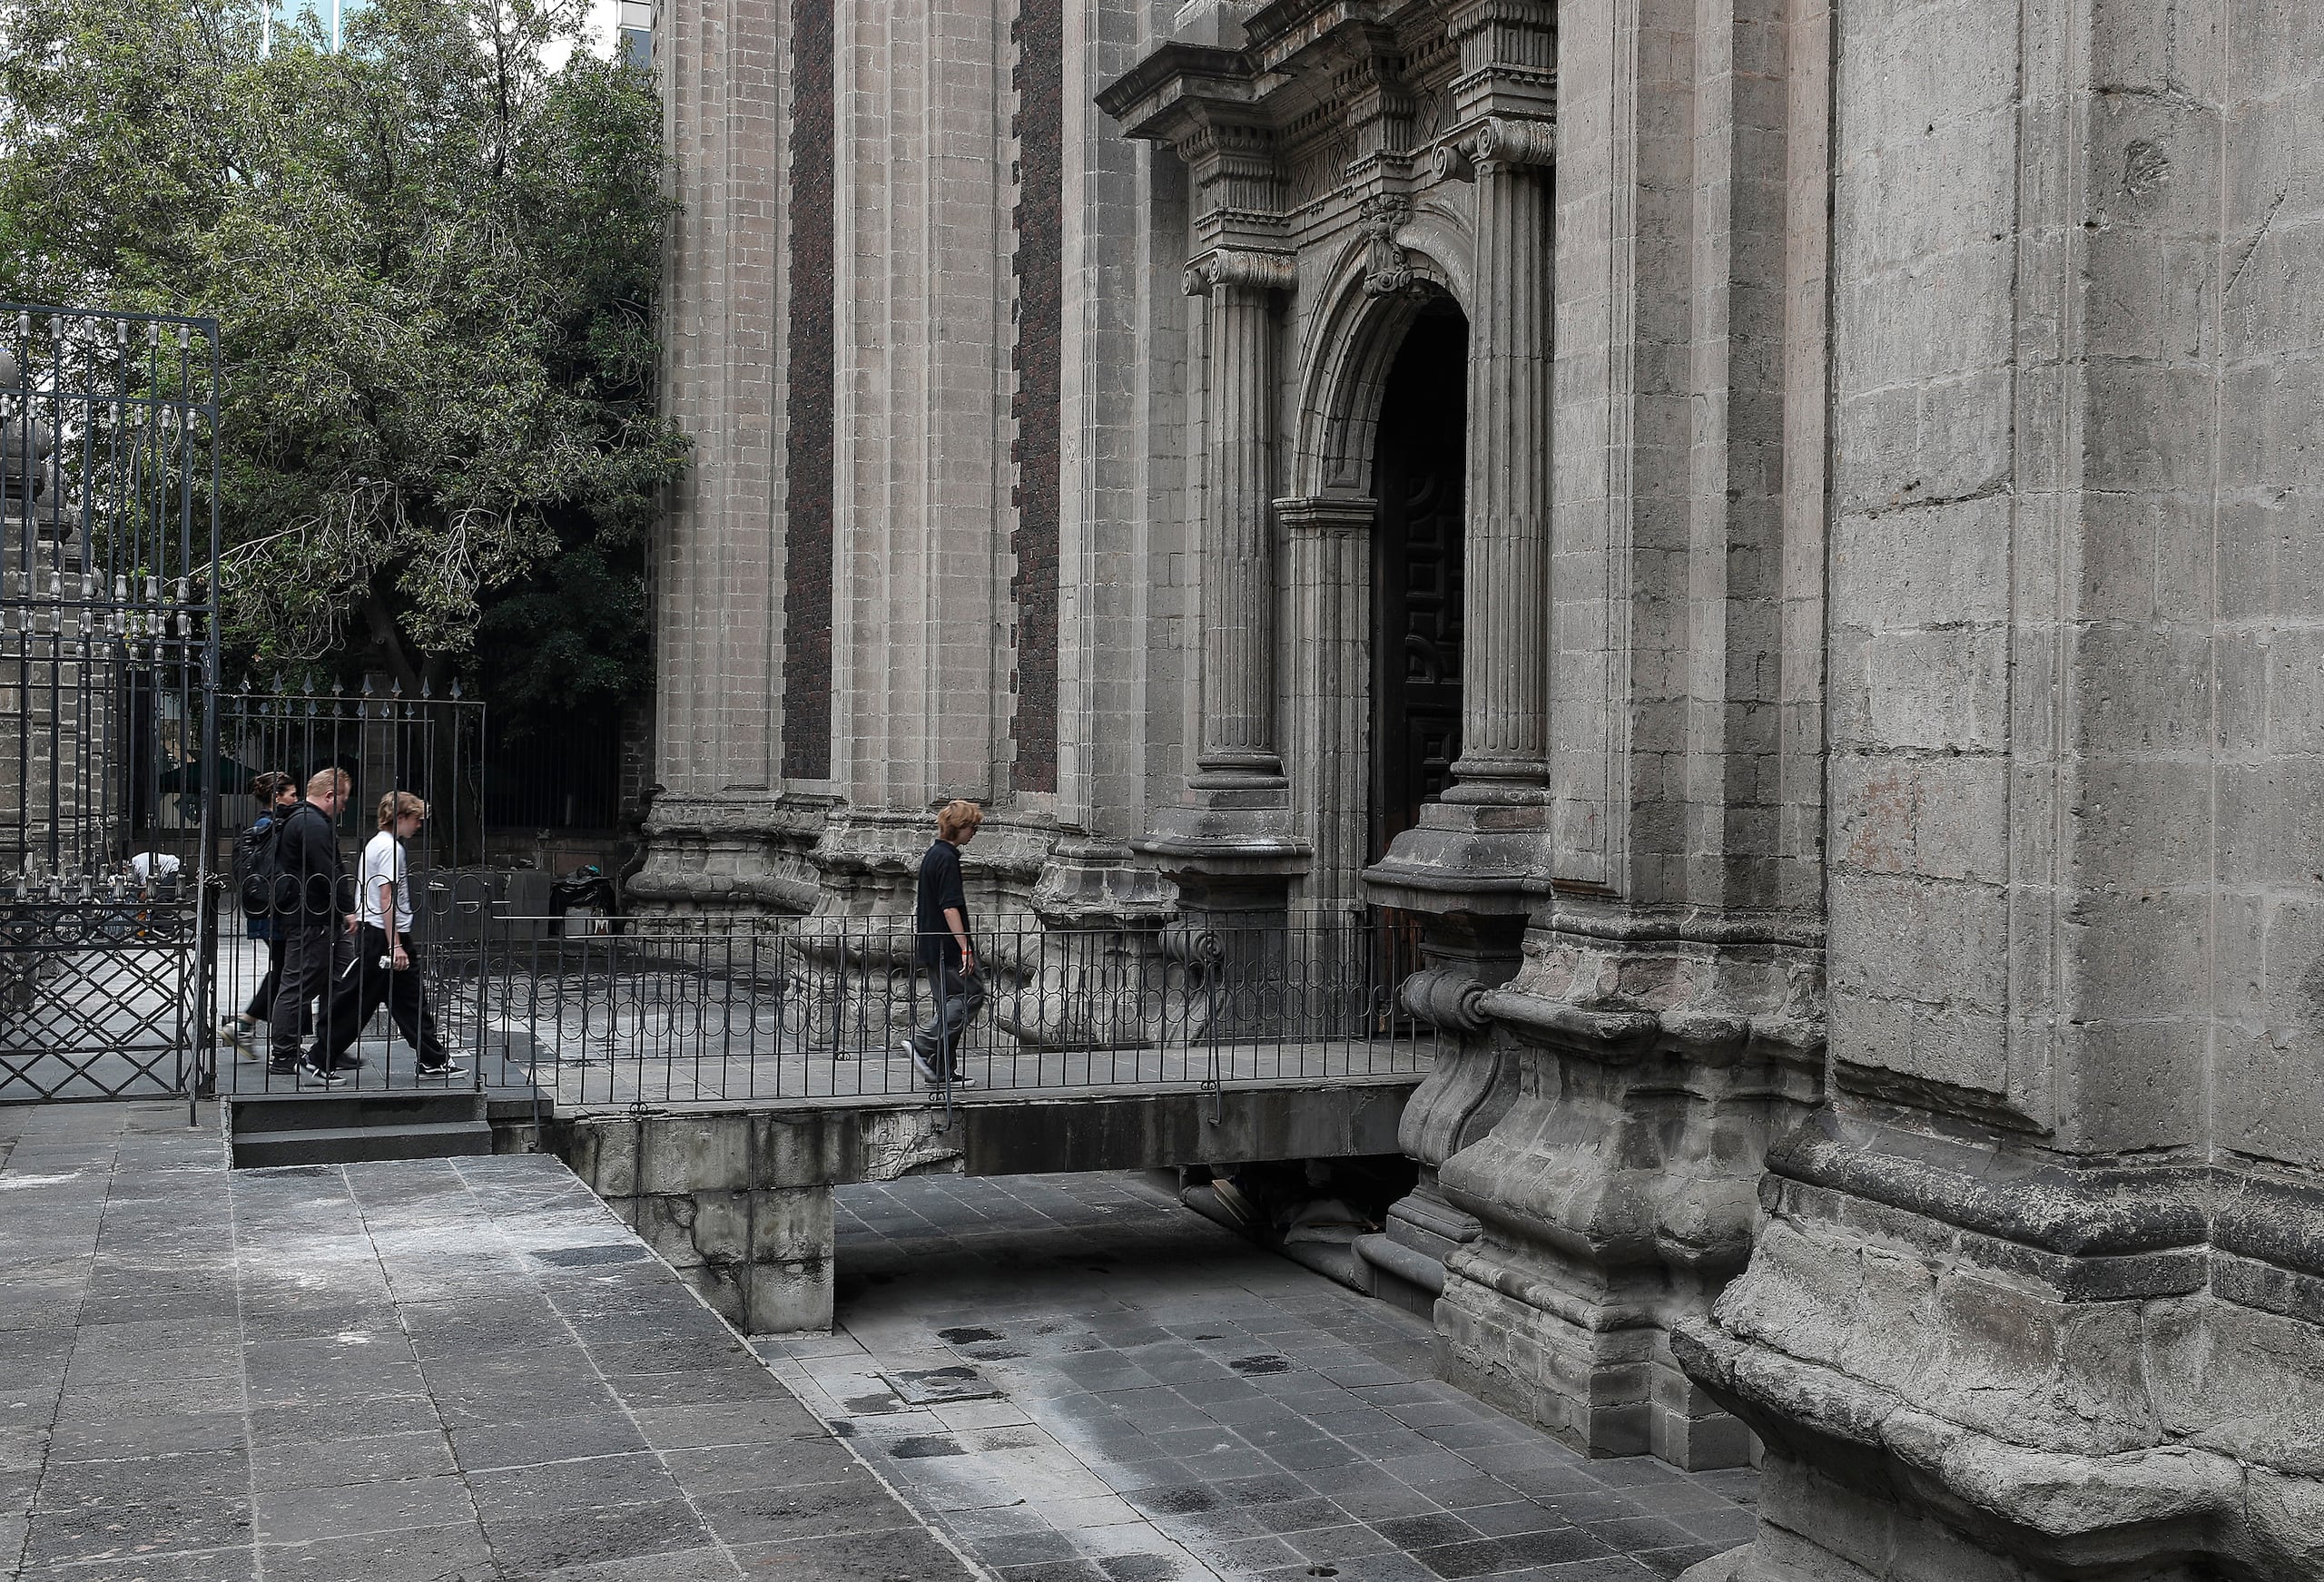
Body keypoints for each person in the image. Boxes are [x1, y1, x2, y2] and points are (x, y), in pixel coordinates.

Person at [311, 791, 466, 1080]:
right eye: (416, 819)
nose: (419, 825)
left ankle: (432, 1058)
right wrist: (395, 944)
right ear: (400, 817)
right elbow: (386, 898)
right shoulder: (391, 849)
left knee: (406, 1000)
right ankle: (319, 1057)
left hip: (381, 934)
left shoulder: (377, 845)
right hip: (384, 937)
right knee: (359, 1001)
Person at [267, 767, 359, 1085]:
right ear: (329, 796)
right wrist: (348, 909)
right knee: (299, 983)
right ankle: (285, 1055)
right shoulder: (311, 823)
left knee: (334, 980)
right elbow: (329, 871)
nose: (344, 807)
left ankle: (327, 1047)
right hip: (311, 916)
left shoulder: (304, 820)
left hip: (314, 915)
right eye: (343, 800)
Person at [903, 799, 985, 1088]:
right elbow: (950, 907)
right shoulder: (947, 858)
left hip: (930, 944)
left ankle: (940, 1070)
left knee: (948, 1005)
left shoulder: (933, 854)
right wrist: (965, 948)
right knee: (970, 995)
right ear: (959, 828)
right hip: (947, 947)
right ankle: (923, 1045)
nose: (974, 832)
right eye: (972, 826)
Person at [221, 771, 298, 1058]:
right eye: (291, 794)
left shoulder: (262, 827)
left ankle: (245, 1026)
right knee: (287, 972)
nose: (296, 799)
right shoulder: (273, 829)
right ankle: (246, 1027)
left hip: (265, 911)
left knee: (284, 970)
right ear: (277, 797)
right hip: (277, 912)